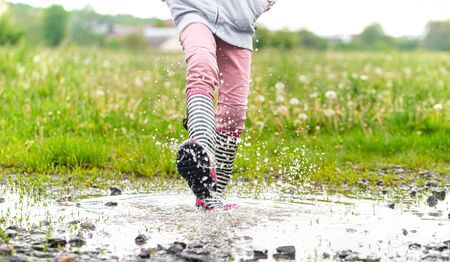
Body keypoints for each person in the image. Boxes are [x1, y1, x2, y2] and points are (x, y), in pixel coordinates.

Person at [164, 0, 276, 210]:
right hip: (193, 8)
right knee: (201, 66)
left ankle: (212, 195)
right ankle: (201, 152)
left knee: (234, 112)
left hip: (239, 17)